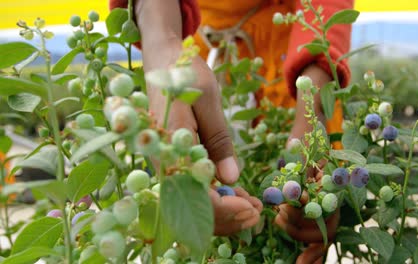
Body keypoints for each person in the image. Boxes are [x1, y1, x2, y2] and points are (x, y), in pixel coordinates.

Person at [109, 0, 353, 262]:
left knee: (303, 217)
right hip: (196, 62)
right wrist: (163, 46)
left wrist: (312, 103)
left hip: (290, 69)